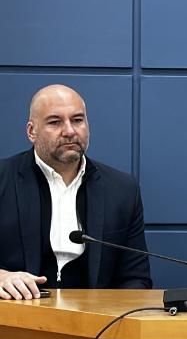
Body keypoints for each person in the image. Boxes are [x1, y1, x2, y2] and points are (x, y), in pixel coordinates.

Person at [0, 85, 151, 298]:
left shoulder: (122, 190)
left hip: (95, 316)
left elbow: (136, 279)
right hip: (17, 312)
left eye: (77, 120)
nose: (70, 131)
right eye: (55, 122)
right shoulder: (3, 179)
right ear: (31, 132)